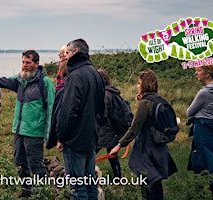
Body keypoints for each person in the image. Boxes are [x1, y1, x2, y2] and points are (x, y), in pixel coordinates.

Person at [0, 50, 55, 197]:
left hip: (34, 131)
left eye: (28, 63)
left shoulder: (45, 83)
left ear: (37, 64)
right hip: (19, 130)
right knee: (19, 162)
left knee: (36, 164)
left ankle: (42, 193)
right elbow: (0, 81)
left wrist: (50, 135)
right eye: (23, 62)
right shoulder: (20, 80)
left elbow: (51, 108)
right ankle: (27, 190)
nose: (24, 65)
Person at [110, 70, 177, 200]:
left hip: (147, 148)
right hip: (159, 147)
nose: (137, 86)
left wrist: (119, 145)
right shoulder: (158, 100)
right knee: (156, 181)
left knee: (147, 182)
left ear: (145, 85)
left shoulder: (145, 103)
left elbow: (134, 128)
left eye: (139, 83)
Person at [55, 38, 105, 199]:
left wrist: (61, 137)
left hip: (75, 140)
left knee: (77, 187)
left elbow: (69, 111)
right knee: (90, 183)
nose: (65, 57)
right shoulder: (95, 73)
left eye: (67, 53)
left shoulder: (75, 75)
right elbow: (101, 108)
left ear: (76, 52)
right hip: (90, 137)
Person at [186, 64, 213, 200]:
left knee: (201, 162)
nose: (196, 73)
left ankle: (203, 194)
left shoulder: (204, 92)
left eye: (199, 70)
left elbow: (189, 112)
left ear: (208, 73)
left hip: (204, 131)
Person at [95, 69, 122, 178]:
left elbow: (103, 114)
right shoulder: (113, 92)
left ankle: (86, 178)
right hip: (113, 131)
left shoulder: (105, 94)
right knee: (113, 157)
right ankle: (118, 179)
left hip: (105, 131)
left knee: (89, 154)